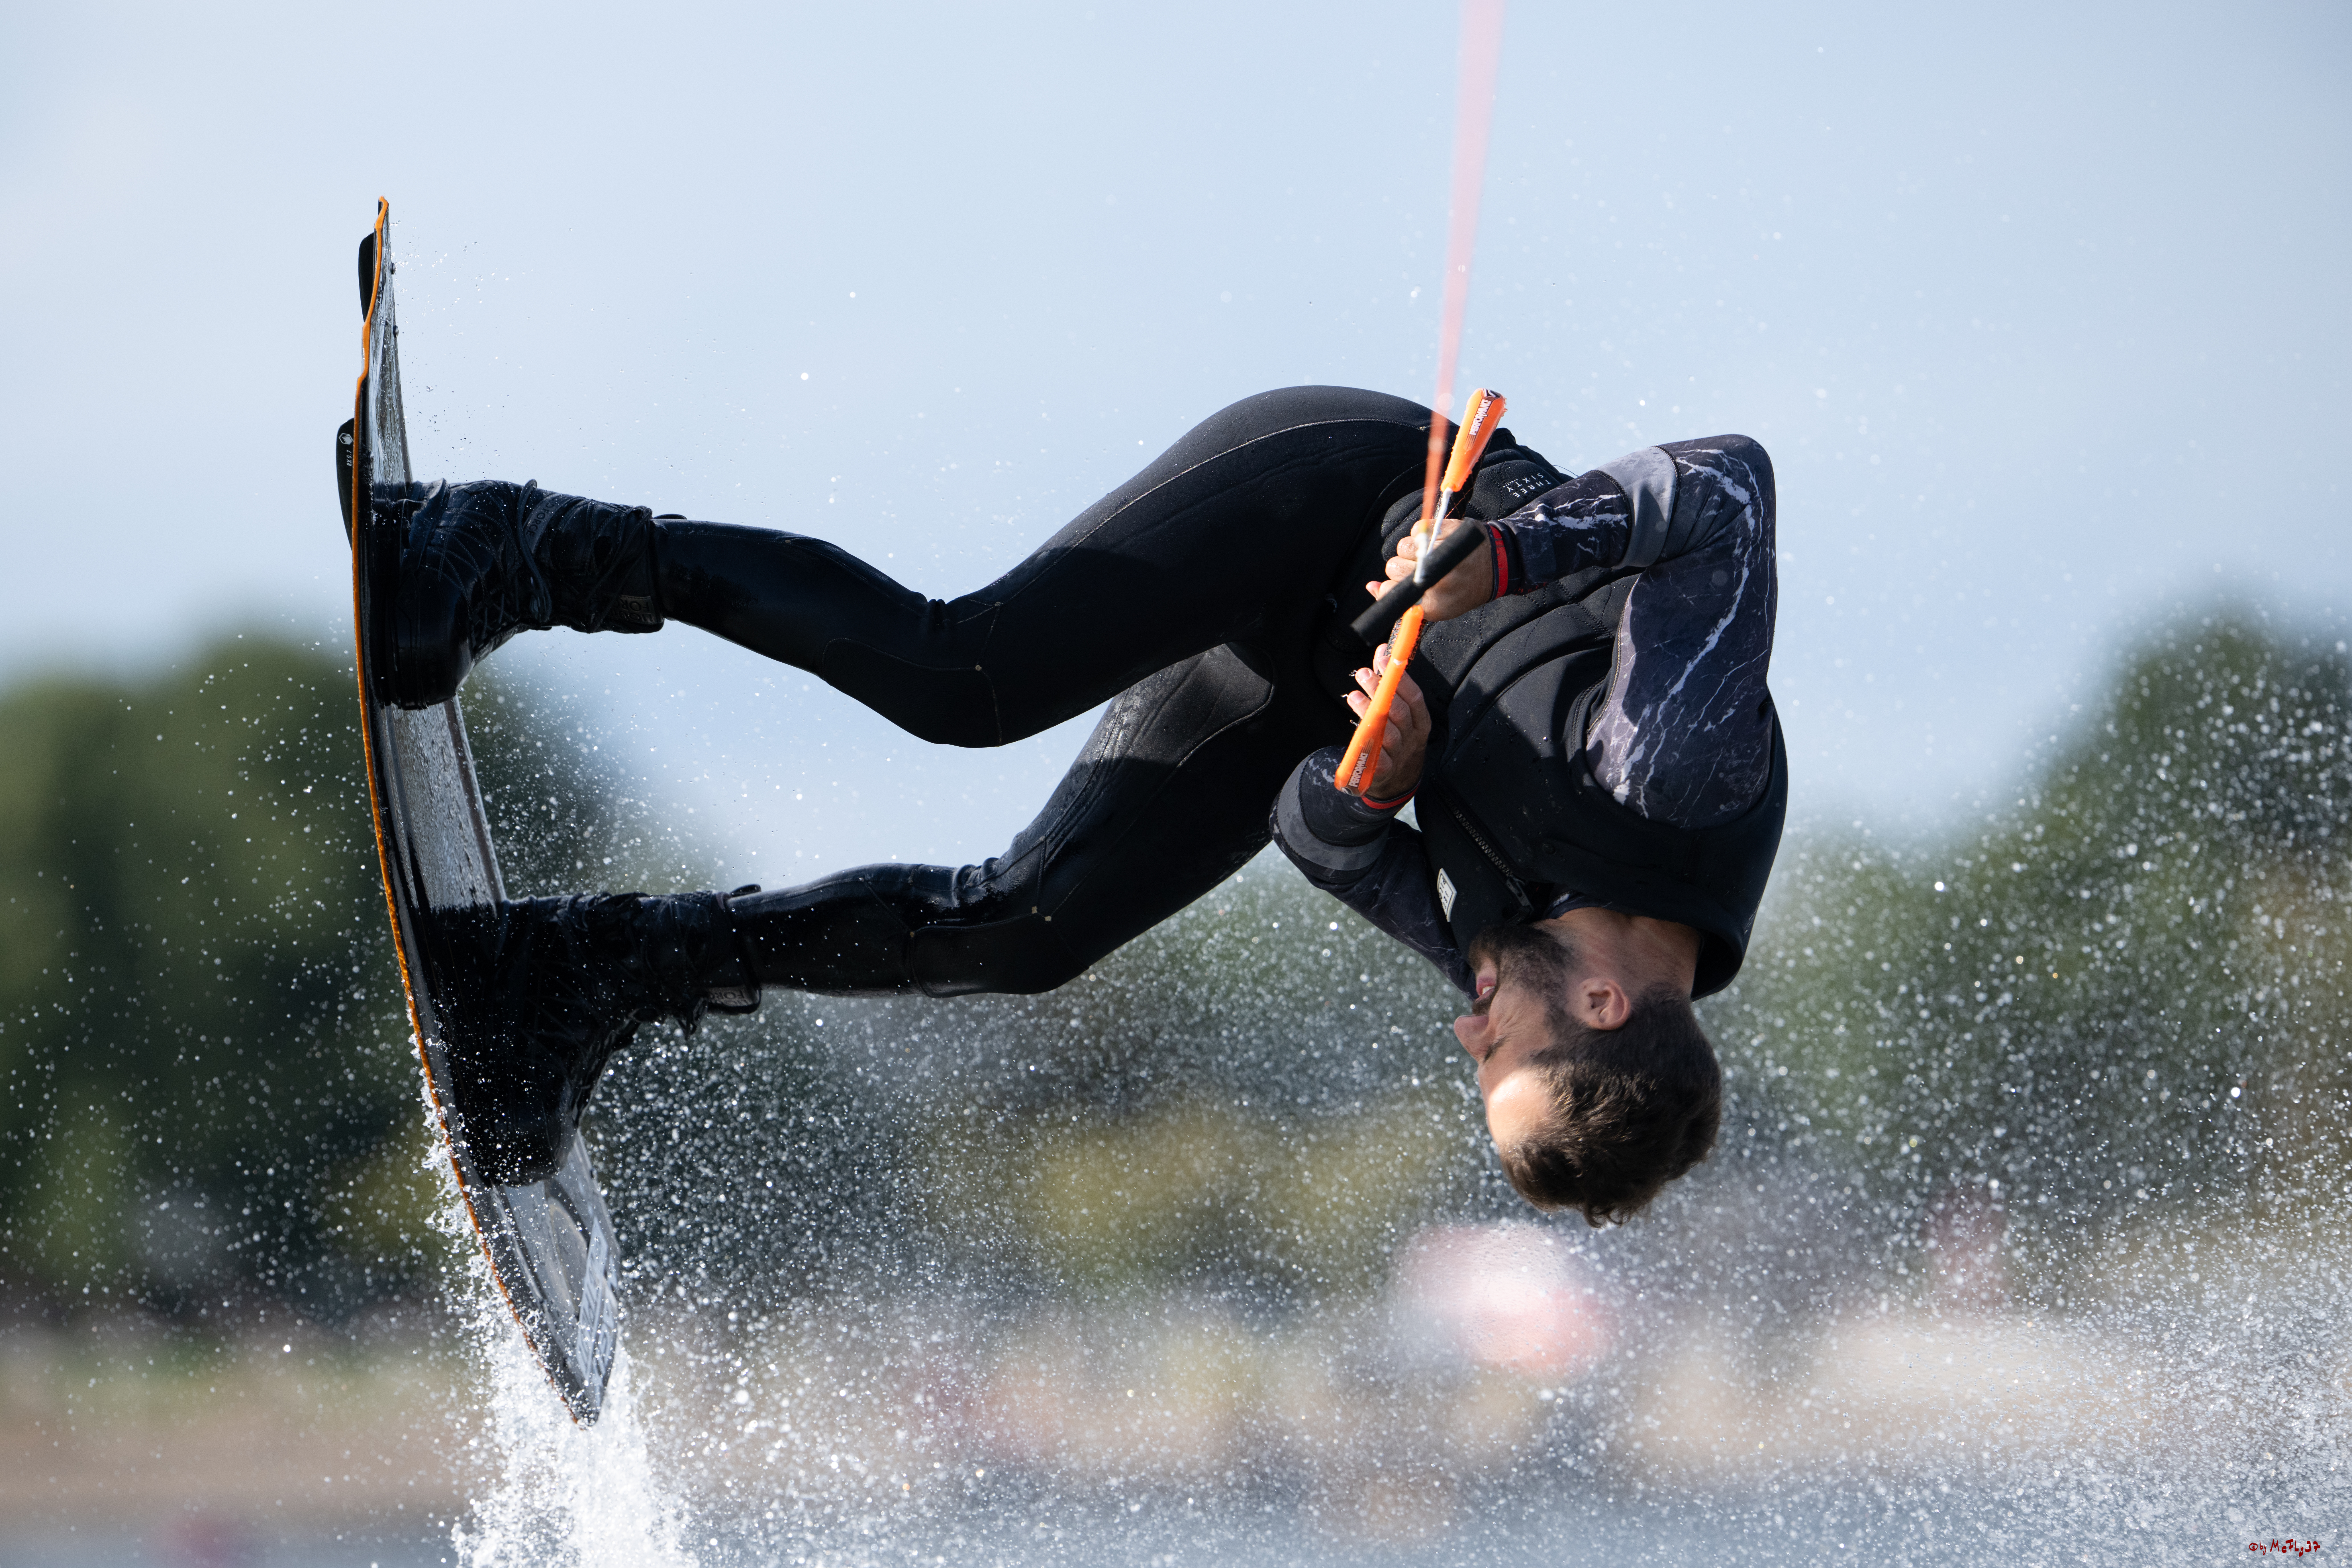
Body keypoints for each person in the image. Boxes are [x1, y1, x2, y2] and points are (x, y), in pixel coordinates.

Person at [384, 387, 1784, 1224]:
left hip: (1317, 675)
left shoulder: (1522, 966)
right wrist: (1512, 552)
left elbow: (1317, 832)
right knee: (967, 676)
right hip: (1345, 498)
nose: (1469, 1028)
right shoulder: (1674, 779)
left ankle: (579, 968)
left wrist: (1373, 788)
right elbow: (1730, 486)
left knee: (1028, 928)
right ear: (1604, 1005)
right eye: (1497, 1057)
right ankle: (514, 544)